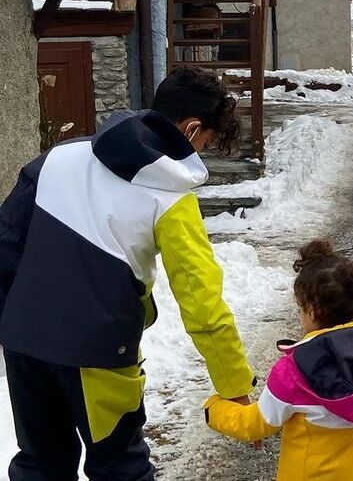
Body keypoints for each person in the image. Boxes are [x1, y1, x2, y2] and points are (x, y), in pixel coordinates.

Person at [0, 67, 255, 480]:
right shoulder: (171, 199)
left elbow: (6, 242)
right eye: (205, 143)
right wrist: (234, 386)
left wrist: (10, 323)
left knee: (40, 465)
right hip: (100, 352)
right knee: (120, 468)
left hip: (24, 343)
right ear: (191, 129)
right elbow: (202, 305)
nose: (201, 153)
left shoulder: (59, 157)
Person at [203, 239, 353, 481]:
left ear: (312, 310)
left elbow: (255, 423)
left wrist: (215, 408)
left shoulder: (292, 374)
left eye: (300, 308)